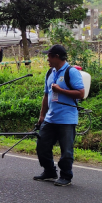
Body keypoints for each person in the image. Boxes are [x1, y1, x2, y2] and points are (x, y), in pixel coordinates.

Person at [34, 44, 85, 187]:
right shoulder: (50, 72)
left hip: (67, 119)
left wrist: (61, 90)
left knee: (66, 150)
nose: (47, 60)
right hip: (51, 117)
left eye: (49, 56)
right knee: (42, 145)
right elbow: (46, 95)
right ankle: (49, 171)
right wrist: (42, 115)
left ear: (56, 57)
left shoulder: (71, 72)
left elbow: (81, 93)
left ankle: (66, 176)